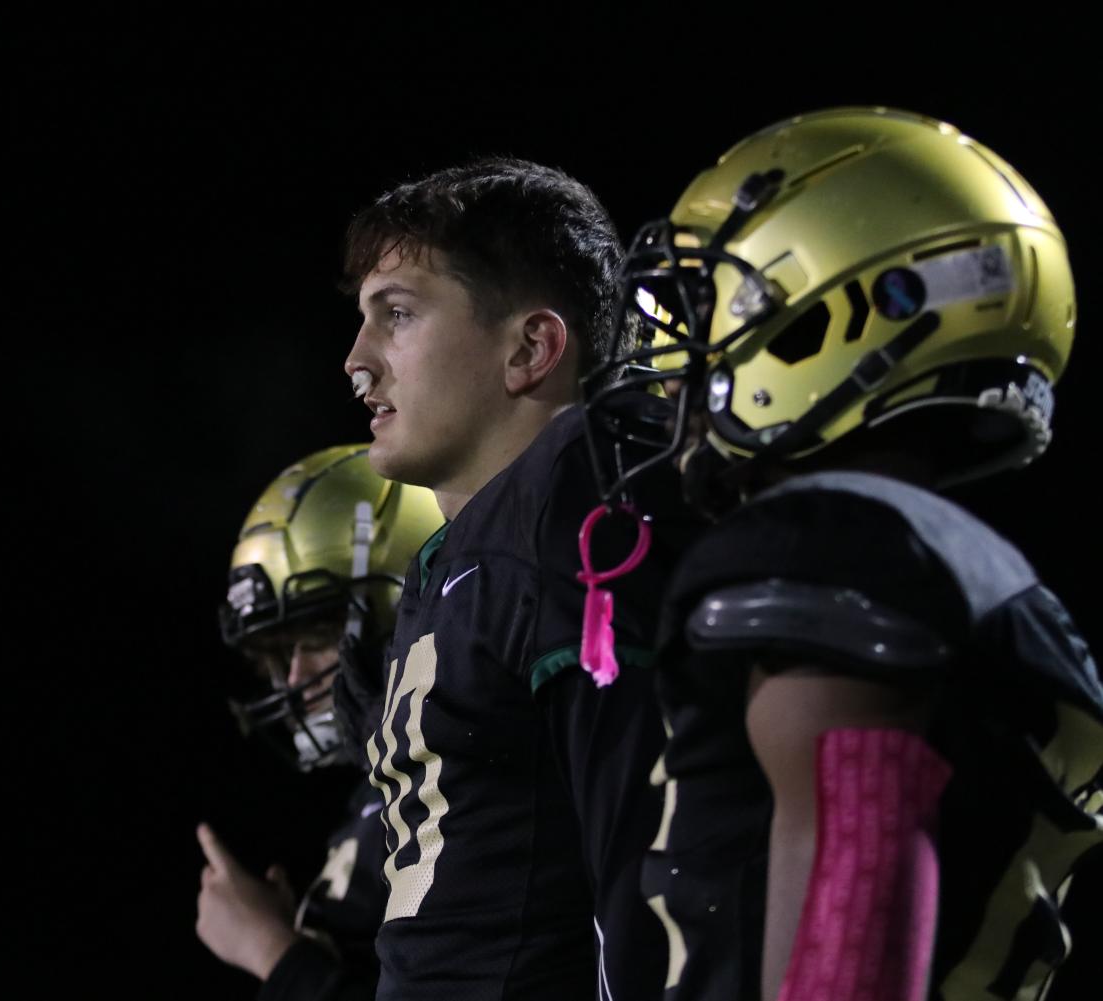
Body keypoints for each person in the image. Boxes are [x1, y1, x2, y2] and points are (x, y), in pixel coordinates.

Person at [583, 106, 1103, 1000]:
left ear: (846, 309)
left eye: (711, 303)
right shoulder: (964, 570)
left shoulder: (832, 543)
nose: (674, 361)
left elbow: (852, 897)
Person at [340, 157, 693, 999]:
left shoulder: (569, 502)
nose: (357, 361)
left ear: (531, 346)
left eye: (396, 315)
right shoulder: (455, 555)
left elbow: (645, 869)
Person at [197, 445, 442, 1000]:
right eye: (277, 656)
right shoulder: (384, 785)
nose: (292, 680)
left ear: (401, 608)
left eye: (315, 639)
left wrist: (274, 953)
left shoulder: (455, 783)